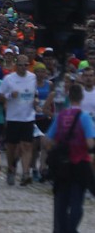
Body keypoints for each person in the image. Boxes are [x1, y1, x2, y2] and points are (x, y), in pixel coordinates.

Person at [44, 83, 95, 233]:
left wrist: (57, 148)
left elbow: (48, 140)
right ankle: (71, 230)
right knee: (77, 202)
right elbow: (90, 142)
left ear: (68, 97)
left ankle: (62, 229)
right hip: (80, 163)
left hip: (61, 164)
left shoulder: (61, 116)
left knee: (61, 201)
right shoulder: (84, 117)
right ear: (82, 97)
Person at [0, 54, 37, 186]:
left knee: (27, 145)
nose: (23, 67)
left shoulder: (33, 77)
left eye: (25, 65)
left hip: (28, 117)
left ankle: (26, 173)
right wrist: (9, 95)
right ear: (16, 65)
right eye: (20, 65)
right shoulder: (9, 79)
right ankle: (11, 169)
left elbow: (34, 93)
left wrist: (36, 100)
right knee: (12, 147)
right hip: (13, 117)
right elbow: (0, 96)